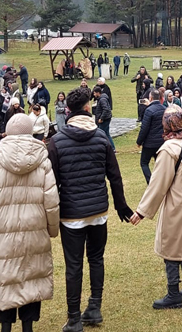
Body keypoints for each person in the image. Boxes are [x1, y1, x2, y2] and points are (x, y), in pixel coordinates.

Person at [46, 87, 132, 332]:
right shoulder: (101, 138)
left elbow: (51, 182)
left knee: (74, 266)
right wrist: (121, 206)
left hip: (71, 213)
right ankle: (94, 306)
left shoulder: (57, 141)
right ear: (87, 108)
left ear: (68, 111)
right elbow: (114, 177)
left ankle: (74, 318)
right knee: (96, 259)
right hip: (98, 211)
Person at [0, 114, 60, 332]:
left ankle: (6, 327)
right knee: (32, 275)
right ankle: (28, 327)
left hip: (4, 232)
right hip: (35, 229)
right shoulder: (42, 161)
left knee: (5, 276)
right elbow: (51, 200)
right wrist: (52, 230)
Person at [130, 105, 182, 309]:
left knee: (170, 244)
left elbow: (158, 184)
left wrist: (141, 211)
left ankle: (173, 293)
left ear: (164, 126)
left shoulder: (168, 149)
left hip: (177, 202)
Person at [136, 89, 166, 184]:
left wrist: (139, 141)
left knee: (144, 163)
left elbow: (144, 128)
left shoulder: (149, 110)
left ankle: (151, 182)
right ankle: (161, 182)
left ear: (150, 98)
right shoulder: (164, 109)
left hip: (149, 143)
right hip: (161, 142)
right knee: (160, 163)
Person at [93, 86, 115, 151]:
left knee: (102, 134)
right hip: (105, 118)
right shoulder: (101, 98)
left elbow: (106, 109)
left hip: (104, 119)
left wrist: (101, 118)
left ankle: (110, 148)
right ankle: (111, 148)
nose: (94, 95)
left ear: (97, 93)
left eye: (94, 93)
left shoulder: (102, 99)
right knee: (106, 134)